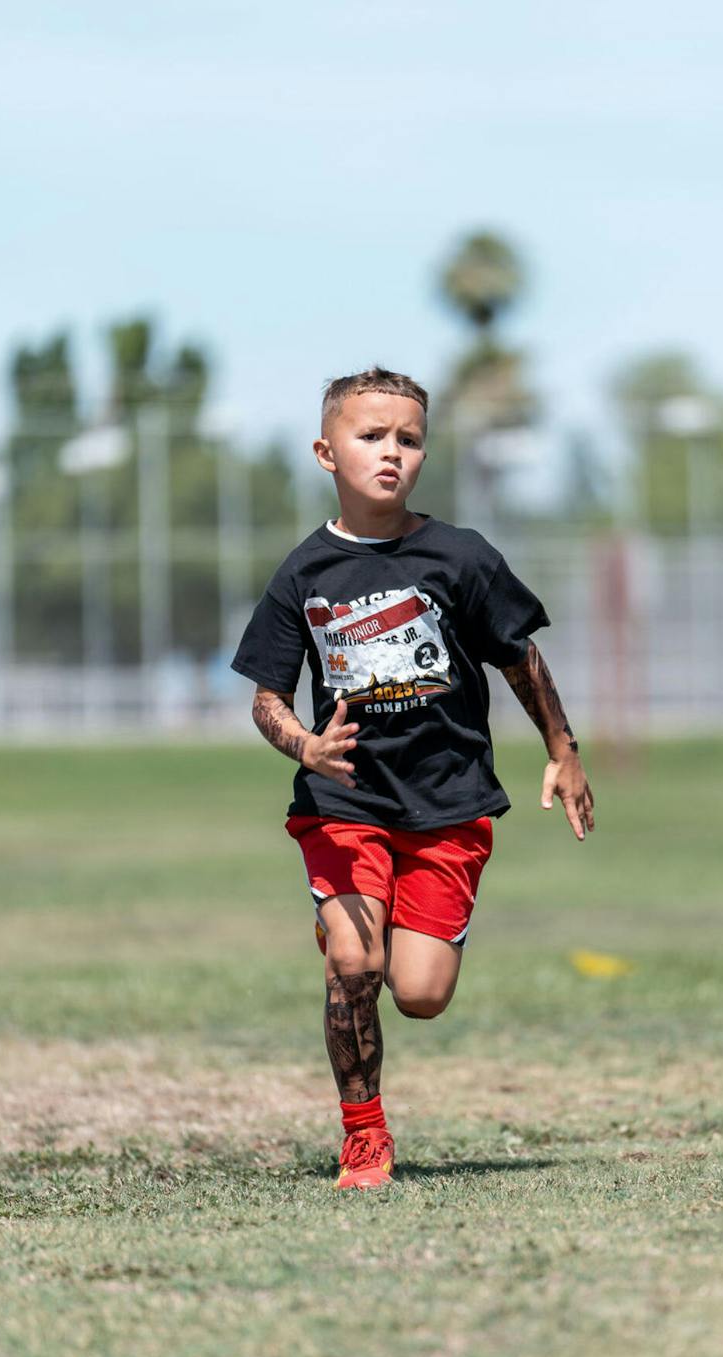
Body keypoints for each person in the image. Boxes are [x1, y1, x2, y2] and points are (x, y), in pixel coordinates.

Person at [231, 367, 593, 1190]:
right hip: (342, 800)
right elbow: (265, 697)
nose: (390, 453)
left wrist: (563, 751)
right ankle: (364, 1136)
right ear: (327, 451)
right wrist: (302, 747)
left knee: (421, 993)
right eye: (370, 437)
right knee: (356, 967)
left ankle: (354, 933)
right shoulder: (303, 574)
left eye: (408, 438)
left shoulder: (459, 556)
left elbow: (519, 657)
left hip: (448, 801)